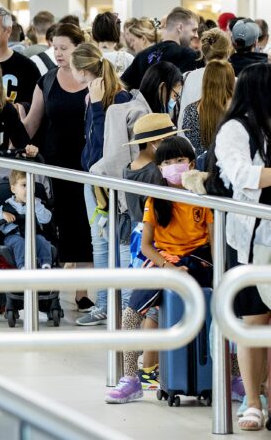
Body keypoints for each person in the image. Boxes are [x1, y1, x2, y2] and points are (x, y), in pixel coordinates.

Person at [105, 135, 213, 405]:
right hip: (163, 260)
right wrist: (168, 266)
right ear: (160, 168)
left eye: (181, 160)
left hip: (199, 258)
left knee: (226, 307)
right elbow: (147, 246)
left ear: (191, 163)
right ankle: (131, 379)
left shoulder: (203, 196)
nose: (175, 166)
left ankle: (233, 376)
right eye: (168, 162)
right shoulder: (156, 199)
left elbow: (213, 242)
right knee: (131, 315)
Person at [211, 63, 271, 430]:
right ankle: (252, 402)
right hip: (250, 239)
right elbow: (241, 176)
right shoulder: (235, 129)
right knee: (253, 322)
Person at [20, 23, 93, 300]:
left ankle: (82, 290)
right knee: (58, 223)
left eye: (64, 48)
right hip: (54, 162)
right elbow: (31, 123)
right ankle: (58, 277)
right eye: (55, 48)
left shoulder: (92, 79)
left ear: (78, 48)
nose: (59, 54)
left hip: (85, 163)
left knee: (84, 225)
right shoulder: (47, 80)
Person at [70, 43, 131, 325]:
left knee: (117, 244)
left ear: (82, 71)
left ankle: (126, 308)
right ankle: (105, 304)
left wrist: (95, 107)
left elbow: (102, 147)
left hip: (110, 183)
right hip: (92, 181)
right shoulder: (92, 97)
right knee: (99, 244)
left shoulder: (117, 99)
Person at [121, 7, 199, 90]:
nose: (196, 35)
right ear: (180, 28)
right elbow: (184, 93)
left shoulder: (142, 55)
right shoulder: (187, 55)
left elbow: (122, 85)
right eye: (194, 30)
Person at [0, 169, 53, 269]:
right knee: (19, 242)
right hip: (13, 237)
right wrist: (3, 215)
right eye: (24, 185)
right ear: (13, 189)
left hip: (33, 235)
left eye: (32, 185)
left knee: (42, 240)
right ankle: (23, 266)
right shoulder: (6, 206)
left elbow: (46, 219)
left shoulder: (37, 203)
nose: (29, 188)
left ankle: (46, 264)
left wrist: (37, 206)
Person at [181, 60, 235, 157]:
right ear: (231, 80)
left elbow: (190, 136)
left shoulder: (190, 111)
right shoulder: (240, 108)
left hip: (203, 165)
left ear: (205, 80)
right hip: (233, 163)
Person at [178, 27, 232, 116]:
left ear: (203, 51)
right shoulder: (235, 82)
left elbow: (182, 118)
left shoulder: (187, 78)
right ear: (228, 51)